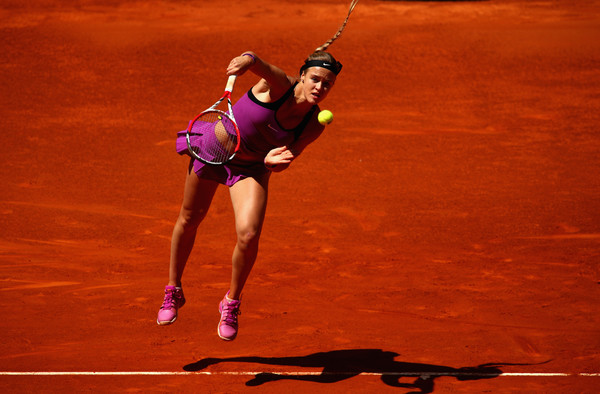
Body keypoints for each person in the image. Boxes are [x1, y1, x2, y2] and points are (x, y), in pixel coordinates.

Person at [156, 11, 355, 341]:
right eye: (316, 79)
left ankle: (231, 301)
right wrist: (245, 59)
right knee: (190, 218)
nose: (321, 87)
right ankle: (173, 289)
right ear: (302, 77)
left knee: (248, 235)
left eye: (328, 84)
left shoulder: (314, 123)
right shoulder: (279, 85)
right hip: (215, 151)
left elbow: (288, 156)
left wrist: (277, 161)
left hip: (252, 167)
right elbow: (258, 62)